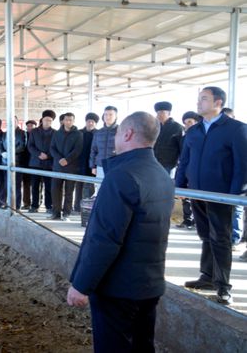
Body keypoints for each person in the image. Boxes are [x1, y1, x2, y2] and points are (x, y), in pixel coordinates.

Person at [67, 111, 174, 353]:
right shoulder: (162, 176)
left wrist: (81, 285)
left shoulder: (121, 176)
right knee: (142, 345)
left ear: (128, 133)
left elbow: (104, 239)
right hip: (149, 283)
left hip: (119, 287)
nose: (115, 136)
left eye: (117, 132)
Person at [175, 87, 247, 305]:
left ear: (218, 102)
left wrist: (233, 195)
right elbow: (184, 161)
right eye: (199, 99)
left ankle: (223, 286)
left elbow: (242, 166)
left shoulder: (236, 129)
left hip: (221, 195)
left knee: (221, 239)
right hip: (197, 193)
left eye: (203, 99)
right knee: (205, 235)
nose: (199, 103)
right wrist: (179, 187)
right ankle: (207, 277)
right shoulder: (194, 131)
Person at [49, 112, 83, 220]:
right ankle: (56, 213)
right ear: (63, 121)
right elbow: (52, 148)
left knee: (69, 192)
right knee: (55, 190)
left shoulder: (78, 134)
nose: (68, 122)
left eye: (70, 120)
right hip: (57, 167)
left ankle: (66, 213)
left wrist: (67, 160)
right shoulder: (56, 133)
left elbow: (78, 150)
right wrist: (60, 159)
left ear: (73, 121)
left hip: (71, 167)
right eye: (66, 119)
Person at [220, 107, 245, 250]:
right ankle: (227, 237)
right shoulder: (222, 135)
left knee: (237, 210)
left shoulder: (240, 131)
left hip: (240, 182)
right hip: (226, 181)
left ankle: (235, 239)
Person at [175, 111, 202, 230]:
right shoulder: (184, 137)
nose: (187, 126)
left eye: (190, 122)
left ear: (197, 122)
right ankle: (188, 220)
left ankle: (198, 222)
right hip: (186, 171)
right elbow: (183, 157)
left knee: (199, 199)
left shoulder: (203, 136)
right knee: (185, 197)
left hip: (199, 173)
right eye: (185, 123)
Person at [27, 110, 56, 213]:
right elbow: (30, 146)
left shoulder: (55, 133)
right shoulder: (34, 132)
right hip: (35, 163)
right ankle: (35, 205)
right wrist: (39, 154)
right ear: (42, 120)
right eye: (46, 120)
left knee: (48, 186)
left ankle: (49, 206)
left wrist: (48, 155)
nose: (47, 122)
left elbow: (55, 147)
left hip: (49, 164)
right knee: (35, 186)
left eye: (50, 120)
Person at [0, 116, 27, 209]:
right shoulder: (5, 133)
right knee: (7, 185)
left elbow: (22, 146)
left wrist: (11, 153)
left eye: (13, 121)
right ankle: (8, 204)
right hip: (5, 162)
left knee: (16, 186)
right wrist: (2, 153)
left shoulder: (23, 133)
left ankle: (16, 206)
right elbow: (0, 145)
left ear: (17, 122)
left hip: (17, 162)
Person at [74, 112, 99, 213]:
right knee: (78, 186)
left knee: (90, 186)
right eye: (89, 121)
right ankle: (77, 207)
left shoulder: (98, 133)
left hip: (92, 164)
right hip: (79, 163)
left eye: (93, 122)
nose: (90, 123)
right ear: (86, 122)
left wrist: (95, 164)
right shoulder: (79, 132)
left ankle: (87, 208)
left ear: (95, 123)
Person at [89, 106, 118, 191]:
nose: (107, 117)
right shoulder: (98, 132)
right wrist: (93, 166)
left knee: (114, 190)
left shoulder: (121, 131)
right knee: (100, 190)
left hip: (115, 167)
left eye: (110, 114)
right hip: (100, 167)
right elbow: (93, 150)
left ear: (116, 116)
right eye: (105, 114)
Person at [153, 101, 184, 176]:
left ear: (169, 113)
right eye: (158, 113)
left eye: (162, 112)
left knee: (165, 183)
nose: (159, 115)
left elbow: (181, 147)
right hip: (154, 161)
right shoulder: (155, 127)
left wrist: (180, 162)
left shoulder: (177, 127)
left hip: (168, 163)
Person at [21, 120, 38, 209]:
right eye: (28, 126)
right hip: (25, 163)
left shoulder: (38, 135)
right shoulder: (23, 135)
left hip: (36, 163)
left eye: (32, 126)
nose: (30, 127)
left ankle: (37, 202)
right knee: (26, 184)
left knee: (37, 184)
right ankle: (26, 203)